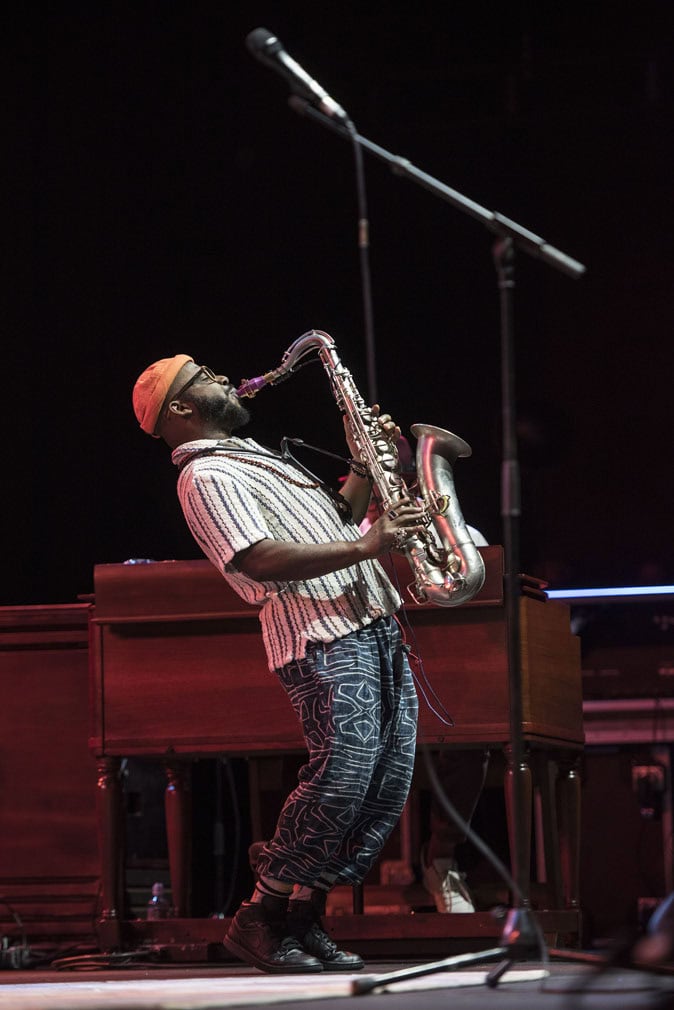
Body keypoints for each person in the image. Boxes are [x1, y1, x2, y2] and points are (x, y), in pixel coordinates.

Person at [132, 354, 423, 973]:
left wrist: (365, 464)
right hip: (321, 635)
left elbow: (336, 523)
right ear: (179, 407)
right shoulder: (205, 474)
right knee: (341, 777)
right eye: (204, 376)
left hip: (373, 621)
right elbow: (257, 559)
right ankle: (258, 916)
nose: (223, 378)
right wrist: (370, 544)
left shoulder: (253, 456)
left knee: (383, 785)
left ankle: (302, 918)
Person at [357, 437, 491, 915]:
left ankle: (443, 861)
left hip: (444, 687)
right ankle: (330, 873)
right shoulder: (343, 535)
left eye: (402, 479)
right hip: (368, 680)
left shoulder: (463, 537)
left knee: (474, 741)